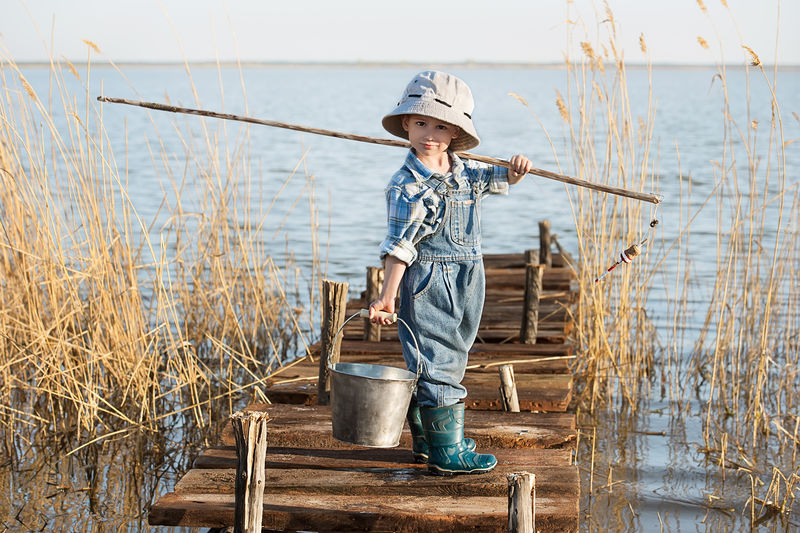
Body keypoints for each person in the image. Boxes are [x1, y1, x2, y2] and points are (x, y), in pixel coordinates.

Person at [368, 71, 532, 476]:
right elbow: (399, 247)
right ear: (406, 122)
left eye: (441, 126)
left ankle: (430, 439)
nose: (430, 134)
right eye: (421, 123)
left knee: (453, 356)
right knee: (435, 361)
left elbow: (497, 179)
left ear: (456, 132)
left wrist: (515, 170)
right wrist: (388, 296)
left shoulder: (465, 169)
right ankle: (448, 451)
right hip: (429, 283)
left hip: (468, 276)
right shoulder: (407, 186)